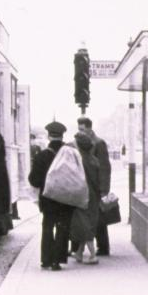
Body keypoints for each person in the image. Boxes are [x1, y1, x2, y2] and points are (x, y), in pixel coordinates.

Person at [28, 121, 73, 271]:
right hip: (65, 198)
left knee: (47, 226)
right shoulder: (70, 154)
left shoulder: (41, 156)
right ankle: (57, 261)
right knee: (62, 227)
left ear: (49, 136)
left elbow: (33, 180)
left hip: (47, 199)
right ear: (62, 136)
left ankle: (46, 259)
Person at [77, 116, 111, 256]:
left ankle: (103, 247)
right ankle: (81, 249)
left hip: (95, 188)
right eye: (79, 129)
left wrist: (104, 189)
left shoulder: (99, 143)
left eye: (82, 129)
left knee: (99, 219)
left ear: (90, 128)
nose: (80, 132)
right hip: (85, 187)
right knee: (88, 218)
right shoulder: (82, 142)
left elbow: (104, 167)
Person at [70, 131, 101, 265]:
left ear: (80, 146)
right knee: (87, 222)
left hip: (82, 195)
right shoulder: (94, 160)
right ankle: (79, 253)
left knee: (84, 224)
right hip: (93, 195)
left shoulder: (78, 160)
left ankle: (92, 255)